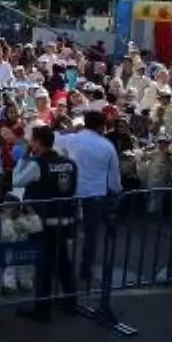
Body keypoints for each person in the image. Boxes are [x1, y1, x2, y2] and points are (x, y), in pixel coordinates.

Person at [12, 125, 79, 322]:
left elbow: (17, 181)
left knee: (43, 267)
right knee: (64, 262)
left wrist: (24, 157)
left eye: (32, 141)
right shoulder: (69, 163)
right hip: (65, 220)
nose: (30, 144)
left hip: (43, 222)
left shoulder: (37, 164)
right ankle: (70, 302)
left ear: (38, 142)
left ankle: (42, 309)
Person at [59, 110, 121, 285]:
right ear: (102, 126)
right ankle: (85, 269)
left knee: (67, 231)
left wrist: (70, 129)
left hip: (72, 192)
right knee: (90, 234)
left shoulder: (72, 139)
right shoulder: (107, 146)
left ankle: (64, 268)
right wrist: (117, 190)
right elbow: (114, 178)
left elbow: (53, 136)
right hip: (95, 194)